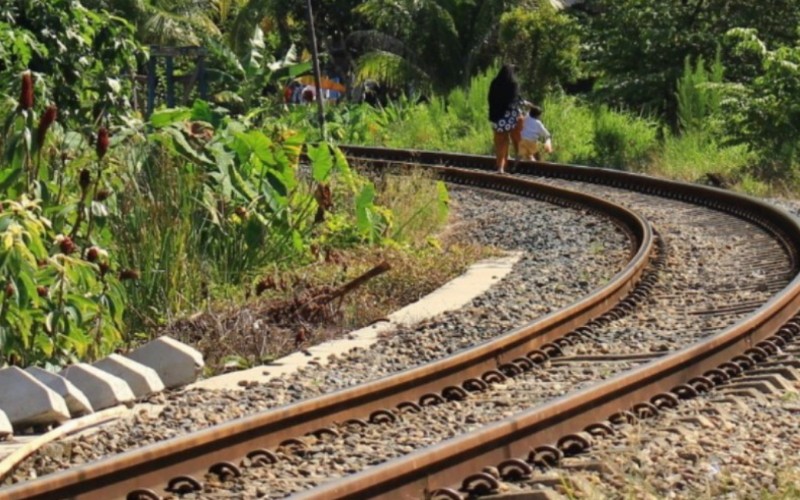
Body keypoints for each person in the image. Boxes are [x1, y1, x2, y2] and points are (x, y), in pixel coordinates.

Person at [488, 64, 524, 173]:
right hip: (513, 117)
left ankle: (501, 167)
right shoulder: (513, 83)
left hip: (498, 118)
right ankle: (518, 165)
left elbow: (490, 99)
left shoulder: (495, 83)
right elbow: (516, 100)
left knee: (501, 144)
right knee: (518, 140)